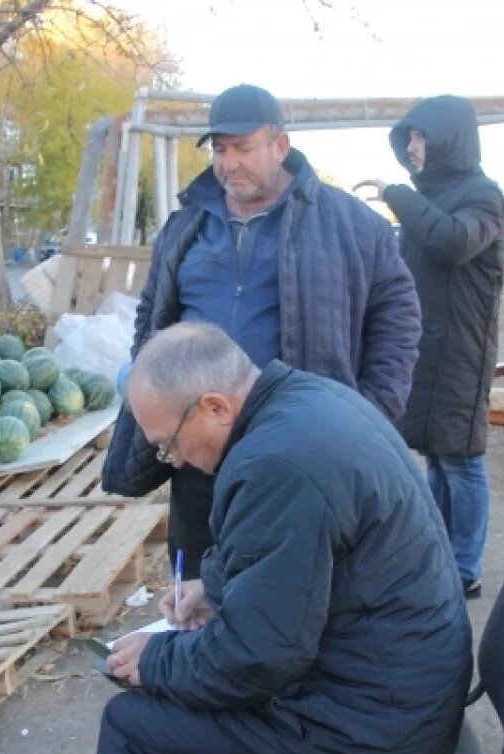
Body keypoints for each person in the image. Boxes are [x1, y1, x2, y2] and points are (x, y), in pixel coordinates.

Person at [96, 323, 473, 754]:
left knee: (132, 727)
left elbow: (258, 661)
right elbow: (303, 557)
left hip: (369, 740)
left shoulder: (276, 466)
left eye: (167, 444)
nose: (172, 459)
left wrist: (159, 661)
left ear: (215, 406)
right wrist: (215, 587)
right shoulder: (312, 401)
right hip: (401, 694)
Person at [102, 84, 422, 581]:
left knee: (289, 578)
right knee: (198, 577)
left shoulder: (351, 224)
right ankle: (196, 646)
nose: (228, 163)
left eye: (243, 147)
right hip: (198, 441)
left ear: (280, 145)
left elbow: (398, 316)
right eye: (220, 149)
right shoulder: (186, 225)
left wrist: (374, 407)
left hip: (299, 447)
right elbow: (152, 312)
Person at [354, 95, 504, 598]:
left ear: (448, 138)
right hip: (422, 346)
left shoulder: (482, 195)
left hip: (461, 347)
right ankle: (441, 553)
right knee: (437, 455)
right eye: (410, 138)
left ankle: (466, 566)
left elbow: (454, 241)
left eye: (420, 137)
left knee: (461, 456)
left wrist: (397, 195)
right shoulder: (428, 194)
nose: (413, 147)